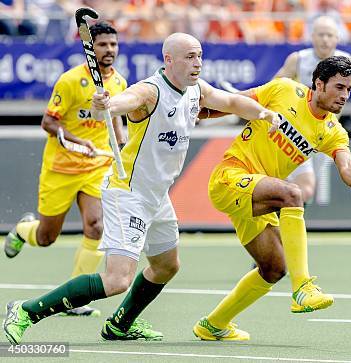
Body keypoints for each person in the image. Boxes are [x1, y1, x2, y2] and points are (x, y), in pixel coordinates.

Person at [2, 33, 281, 345]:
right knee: (117, 279)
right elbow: (122, 103)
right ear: (169, 60)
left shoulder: (195, 89)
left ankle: (120, 324)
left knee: (166, 266)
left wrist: (263, 113)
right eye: (190, 56)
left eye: (199, 55)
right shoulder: (150, 91)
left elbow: (228, 101)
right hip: (128, 193)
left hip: (157, 196)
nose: (197, 62)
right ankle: (26, 311)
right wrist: (104, 105)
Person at [192, 56, 351, 341]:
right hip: (230, 177)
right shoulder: (284, 89)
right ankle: (303, 286)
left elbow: (347, 166)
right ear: (319, 83)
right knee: (293, 193)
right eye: (339, 87)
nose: (344, 96)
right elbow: (232, 102)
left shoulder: (332, 131)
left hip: (258, 195)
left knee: (272, 268)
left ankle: (213, 324)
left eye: (349, 90)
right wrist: (194, 114)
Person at [3, 22, 127, 317]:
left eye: (113, 44)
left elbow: (116, 120)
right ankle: (23, 229)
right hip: (61, 168)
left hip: (97, 166)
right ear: (90, 48)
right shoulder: (71, 81)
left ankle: (76, 296)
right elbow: (49, 123)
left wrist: (121, 143)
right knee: (46, 237)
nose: (109, 50)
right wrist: (77, 140)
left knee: (96, 225)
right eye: (102, 45)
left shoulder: (119, 82)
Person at [275, 15, 351, 201]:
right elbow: (275, 87)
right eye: (321, 34)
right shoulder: (298, 59)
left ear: (337, 38)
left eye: (330, 35)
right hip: (295, 131)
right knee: (293, 185)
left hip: (324, 134)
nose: (325, 39)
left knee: (306, 190)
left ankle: (289, 221)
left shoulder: (349, 63)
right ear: (312, 37)